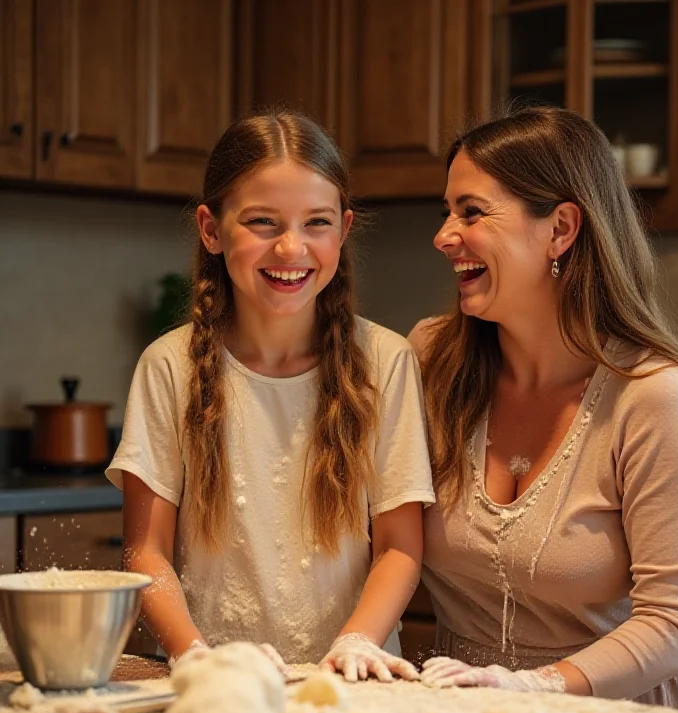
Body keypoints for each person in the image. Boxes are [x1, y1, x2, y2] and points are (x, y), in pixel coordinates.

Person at [410, 106, 678, 713]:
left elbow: (676, 622)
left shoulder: (654, 397)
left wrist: (536, 684)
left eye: (471, 211)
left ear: (560, 229)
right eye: (447, 211)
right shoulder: (430, 360)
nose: (444, 234)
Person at [107, 110, 435, 682]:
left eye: (316, 222)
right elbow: (147, 552)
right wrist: (197, 656)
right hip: (212, 681)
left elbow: (400, 548)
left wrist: (356, 641)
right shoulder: (168, 367)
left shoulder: (384, 362)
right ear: (211, 229)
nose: (291, 248)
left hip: (354, 679)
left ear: (344, 229)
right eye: (262, 221)